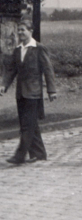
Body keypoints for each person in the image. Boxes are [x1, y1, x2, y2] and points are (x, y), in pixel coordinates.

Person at [1, 20, 57, 164]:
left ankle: (19, 155)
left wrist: (51, 90)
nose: (20, 33)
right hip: (20, 93)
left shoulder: (39, 48)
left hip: (34, 93)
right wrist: (4, 85)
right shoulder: (18, 49)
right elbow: (11, 70)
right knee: (30, 124)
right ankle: (39, 154)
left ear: (30, 31)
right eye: (18, 30)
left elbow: (48, 70)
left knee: (27, 125)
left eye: (23, 30)